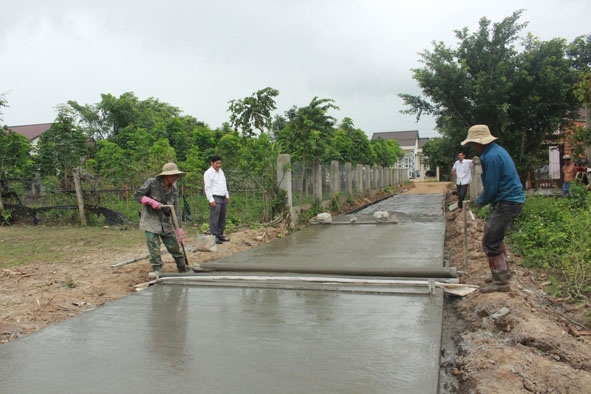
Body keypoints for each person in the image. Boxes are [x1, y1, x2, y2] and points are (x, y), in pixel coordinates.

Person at [461, 125, 525, 293]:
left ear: (479, 142)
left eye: (473, 144)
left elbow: (491, 186)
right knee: (496, 236)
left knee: (490, 241)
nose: (473, 147)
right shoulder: (495, 151)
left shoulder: (491, 157)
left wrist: (479, 201)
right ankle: (503, 272)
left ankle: (500, 281)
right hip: (509, 200)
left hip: (508, 201)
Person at [134, 162, 187, 273]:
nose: (175, 178)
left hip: (165, 222)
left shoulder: (174, 191)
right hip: (151, 221)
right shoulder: (152, 183)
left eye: (176, 175)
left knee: (174, 247)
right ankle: (158, 272)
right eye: (173, 175)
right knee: (154, 249)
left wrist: (179, 228)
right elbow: (137, 195)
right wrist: (150, 201)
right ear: (166, 175)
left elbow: (176, 210)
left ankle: (182, 268)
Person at [204, 155, 230, 245]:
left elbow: (224, 183)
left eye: (220, 163)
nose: (218, 165)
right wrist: (211, 199)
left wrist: (227, 195)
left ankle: (220, 234)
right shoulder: (208, 173)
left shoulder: (221, 172)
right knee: (215, 217)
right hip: (215, 197)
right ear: (212, 163)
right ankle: (214, 236)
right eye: (216, 163)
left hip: (222, 197)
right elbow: (207, 187)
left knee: (222, 217)